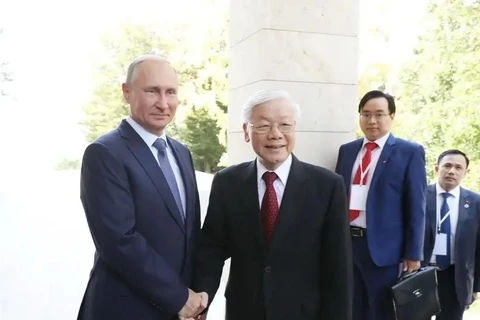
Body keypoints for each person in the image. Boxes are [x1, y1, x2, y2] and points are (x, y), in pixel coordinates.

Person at [193, 90, 353, 320]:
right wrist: (201, 298)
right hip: (244, 311)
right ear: (246, 132)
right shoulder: (227, 182)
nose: (275, 134)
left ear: (294, 130)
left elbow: (339, 270)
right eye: (263, 126)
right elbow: (212, 249)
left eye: (285, 125)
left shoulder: (327, 186)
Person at [77, 55, 207, 320]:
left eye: (170, 92)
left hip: (178, 311)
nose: (163, 103)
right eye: (152, 91)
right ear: (127, 92)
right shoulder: (104, 153)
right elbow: (120, 242)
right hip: (125, 309)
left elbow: (190, 235)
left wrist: (196, 299)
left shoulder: (182, 153)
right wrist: (180, 298)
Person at [335, 90, 427, 320]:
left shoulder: (409, 152)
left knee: (381, 311)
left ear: (391, 116)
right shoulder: (347, 151)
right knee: (351, 308)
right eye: (365, 114)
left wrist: (413, 253)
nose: (372, 121)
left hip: (383, 249)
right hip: (348, 244)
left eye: (379, 114)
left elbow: (416, 206)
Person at [422, 149, 480, 320]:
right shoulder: (420, 195)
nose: (452, 171)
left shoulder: (476, 202)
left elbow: (478, 248)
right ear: (436, 168)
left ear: (465, 173)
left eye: (458, 167)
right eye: (447, 166)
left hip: (455, 276)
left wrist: (475, 286)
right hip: (422, 272)